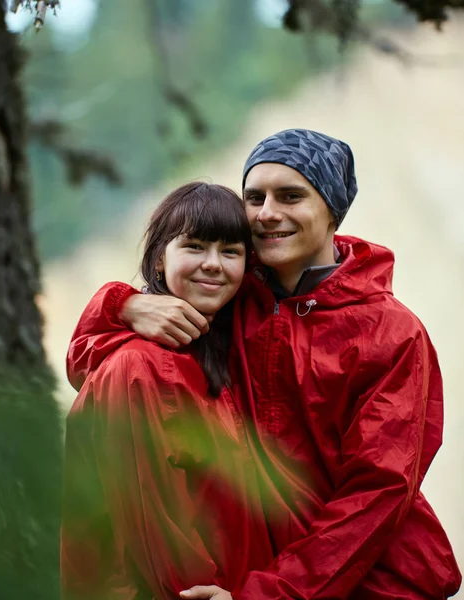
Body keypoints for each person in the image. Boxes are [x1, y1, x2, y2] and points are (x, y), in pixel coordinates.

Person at [66, 130, 461, 600]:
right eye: (255, 198)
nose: (267, 213)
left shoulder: (391, 334)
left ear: (332, 210)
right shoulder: (233, 296)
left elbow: (377, 493)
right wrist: (124, 306)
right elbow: (89, 361)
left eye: (290, 196)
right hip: (252, 572)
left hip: (374, 583)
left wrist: (271, 594)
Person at [61, 182, 276, 600]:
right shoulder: (140, 368)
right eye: (195, 247)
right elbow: (156, 527)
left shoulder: (221, 352)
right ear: (160, 259)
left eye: (230, 251)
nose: (213, 264)